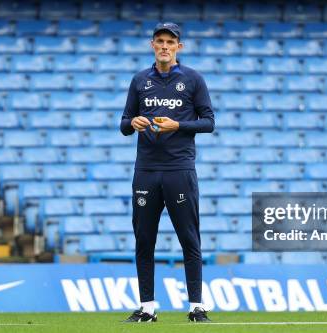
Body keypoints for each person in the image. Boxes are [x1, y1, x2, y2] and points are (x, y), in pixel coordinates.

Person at [119, 22, 215, 322]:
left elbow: (209, 122)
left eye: (170, 42)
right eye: (159, 41)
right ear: (152, 45)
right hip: (146, 170)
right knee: (144, 240)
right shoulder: (139, 81)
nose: (164, 46)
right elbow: (123, 123)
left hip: (179, 170)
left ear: (178, 47)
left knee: (189, 238)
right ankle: (147, 307)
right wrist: (132, 123)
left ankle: (196, 306)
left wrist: (178, 125)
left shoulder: (193, 79)